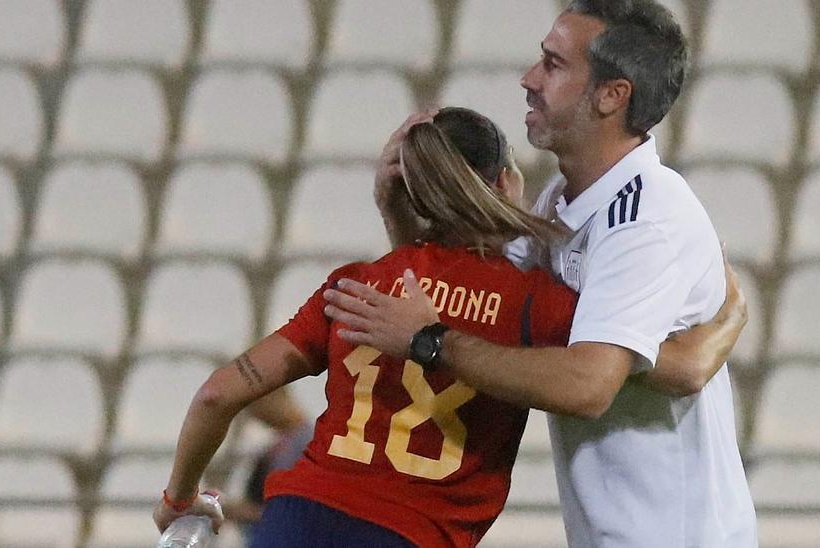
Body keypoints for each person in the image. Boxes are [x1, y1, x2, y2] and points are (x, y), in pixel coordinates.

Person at [152, 107, 744, 547]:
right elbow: (661, 366)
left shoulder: (357, 287)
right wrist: (727, 322)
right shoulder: (533, 303)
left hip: (295, 521)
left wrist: (181, 497)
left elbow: (218, 393)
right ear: (506, 183)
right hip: (412, 537)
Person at [323, 1, 758, 546]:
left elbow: (587, 384)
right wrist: (398, 214)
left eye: (553, 65)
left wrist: (430, 342)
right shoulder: (560, 204)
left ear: (611, 95)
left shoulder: (646, 217)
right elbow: (480, 310)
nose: (529, 80)